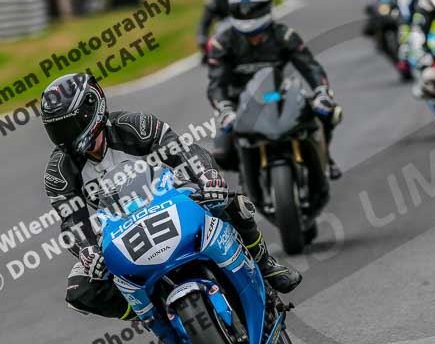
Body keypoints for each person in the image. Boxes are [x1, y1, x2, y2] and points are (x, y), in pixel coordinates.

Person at [41, 73, 302, 321]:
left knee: (231, 204)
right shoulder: (59, 171)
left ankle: (264, 262)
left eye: (68, 125)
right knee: (79, 290)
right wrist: (87, 251)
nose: (64, 136)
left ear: (92, 110)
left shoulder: (135, 126)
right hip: (118, 229)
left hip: (172, 199)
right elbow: (71, 220)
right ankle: (151, 313)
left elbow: (185, 151)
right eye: (56, 129)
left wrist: (207, 177)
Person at [207, 0, 341, 213]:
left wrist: (321, 92)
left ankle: (325, 158)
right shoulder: (223, 42)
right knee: (222, 151)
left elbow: (311, 67)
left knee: (328, 112)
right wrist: (225, 109)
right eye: (242, 9)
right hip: (241, 103)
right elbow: (216, 83)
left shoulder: (285, 35)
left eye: (253, 9)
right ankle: (246, 176)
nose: (248, 15)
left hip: (280, 95)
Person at [197, 0, 244, 64]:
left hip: (247, 33)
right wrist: (202, 40)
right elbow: (204, 24)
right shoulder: (214, 2)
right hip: (223, 38)